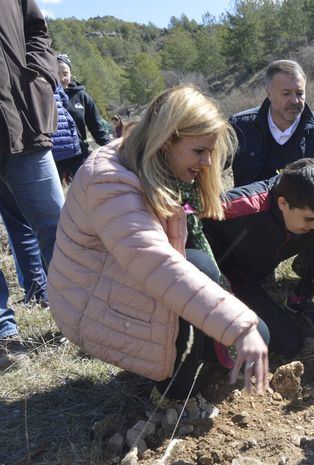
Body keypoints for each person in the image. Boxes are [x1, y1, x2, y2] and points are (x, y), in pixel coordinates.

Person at [48, 85, 269, 418]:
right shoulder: (110, 182)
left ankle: (178, 360)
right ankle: (172, 396)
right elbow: (158, 265)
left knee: (257, 330)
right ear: (168, 140)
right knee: (202, 274)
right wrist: (238, 326)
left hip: (126, 284)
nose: (208, 163)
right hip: (92, 301)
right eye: (199, 151)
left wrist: (242, 326)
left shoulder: (163, 168)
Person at [203, 158, 314, 357]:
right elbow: (190, 217)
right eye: (309, 219)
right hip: (215, 282)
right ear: (283, 203)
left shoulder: (313, 219)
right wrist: (217, 282)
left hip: (248, 282)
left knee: (288, 344)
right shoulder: (239, 206)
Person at [228, 59, 314, 321]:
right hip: (255, 218)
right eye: (286, 94)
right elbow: (210, 168)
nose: (295, 100)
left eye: (300, 93)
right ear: (269, 93)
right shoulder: (240, 127)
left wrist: (312, 198)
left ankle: (306, 287)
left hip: (305, 217)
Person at [0, 0, 65, 369]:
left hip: (19, 119)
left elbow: (37, 30)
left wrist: (39, 74)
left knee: (58, 226)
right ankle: (3, 335)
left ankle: (80, 318)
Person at [56, 53, 111, 180]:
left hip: (79, 155)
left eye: (65, 74)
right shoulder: (44, 95)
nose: (61, 78)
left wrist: (110, 147)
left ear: (71, 74)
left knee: (86, 194)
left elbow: (96, 126)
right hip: (53, 158)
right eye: (56, 74)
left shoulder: (82, 96)